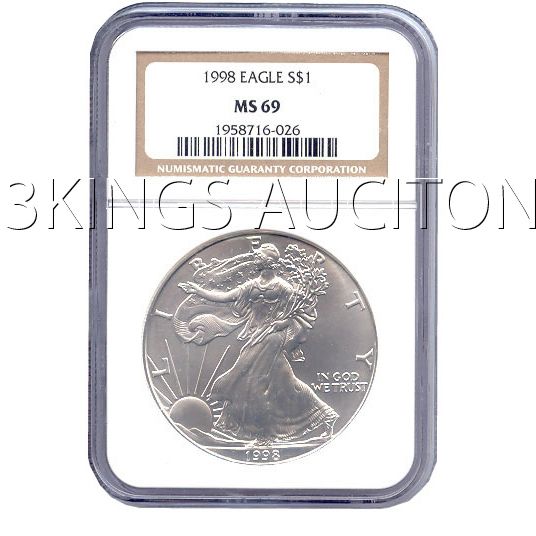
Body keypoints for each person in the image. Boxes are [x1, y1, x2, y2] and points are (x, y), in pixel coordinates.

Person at [178, 243, 338, 443]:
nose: (255, 258)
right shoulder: (251, 285)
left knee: (251, 379)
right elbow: (225, 297)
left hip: (272, 337)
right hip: (256, 335)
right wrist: (199, 291)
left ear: (269, 261)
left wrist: (283, 323)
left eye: (259, 256)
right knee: (286, 383)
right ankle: (325, 416)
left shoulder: (284, 287)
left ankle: (262, 433)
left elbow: (298, 314)